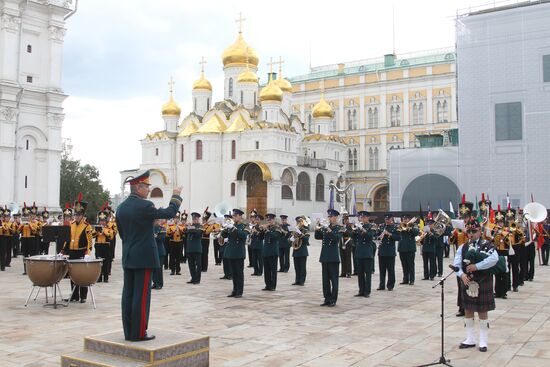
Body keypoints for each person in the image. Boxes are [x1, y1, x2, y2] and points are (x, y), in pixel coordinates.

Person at [116, 170, 182, 341]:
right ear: (138, 187)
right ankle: (138, 333)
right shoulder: (145, 206)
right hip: (144, 257)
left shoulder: (121, 208)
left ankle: (129, 331)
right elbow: (168, 213)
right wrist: (176, 196)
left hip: (129, 256)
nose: (148, 190)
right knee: (142, 296)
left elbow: (122, 234)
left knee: (128, 294)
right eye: (146, 187)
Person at [453, 219, 498, 352]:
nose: (471, 234)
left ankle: (483, 341)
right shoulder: (463, 247)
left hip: (483, 281)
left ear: (480, 232)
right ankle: (470, 339)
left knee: (482, 311)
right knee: (468, 310)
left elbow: (494, 259)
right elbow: (456, 264)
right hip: (468, 282)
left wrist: (476, 267)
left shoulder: (487, 245)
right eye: (469, 232)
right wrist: (461, 275)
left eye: (474, 231)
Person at [61, 193, 93, 303]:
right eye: (76, 214)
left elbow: (89, 241)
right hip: (72, 252)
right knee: (72, 275)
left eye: (79, 215)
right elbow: (67, 239)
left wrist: (88, 253)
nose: (77, 216)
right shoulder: (71, 224)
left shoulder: (87, 226)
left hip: (81, 252)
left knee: (82, 275)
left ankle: (83, 296)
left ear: (83, 215)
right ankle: (74, 295)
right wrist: (63, 250)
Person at [315, 209, 342, 307]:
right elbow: (317, 237)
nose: (329, 218)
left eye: (331, 216)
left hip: (333, 257)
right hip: (325, 256)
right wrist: (318, 227)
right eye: (329, 217)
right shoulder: (326, 227)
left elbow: (336, 239)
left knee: (334, 280)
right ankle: (327, 298)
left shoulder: (339, 228)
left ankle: (333, 299)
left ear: (336, 217)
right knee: (325, 280)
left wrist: (328, 229)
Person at [221, 209, 248, 298]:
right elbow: (224, 235)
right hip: (231, 252)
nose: (234, 217)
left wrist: (233, 228)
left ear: (240, 216)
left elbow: (243, 236)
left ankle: (239, 291)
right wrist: (225, 229)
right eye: (233, 216)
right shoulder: (231, 226)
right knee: (233, 273)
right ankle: (234, 290)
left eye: (235, 216)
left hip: (239, 253)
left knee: (239, 273)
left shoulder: (244, 226)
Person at [353, 211, 376, 297]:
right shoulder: (358, 226)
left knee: (368, 273)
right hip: (359, 252)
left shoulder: (372, 226)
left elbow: (370, 236)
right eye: (360, 217)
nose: (361, 219)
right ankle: (361, 290)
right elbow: (354, 237)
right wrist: (355, 230)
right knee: (360, 273)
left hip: (367, 252)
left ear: (367, 218)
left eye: (363, 217)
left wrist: (363, 229)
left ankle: (367, 291)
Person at [377, 214, 400, 291]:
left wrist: (389, 234)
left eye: (388, 219)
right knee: (382, 269)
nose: (386, 221)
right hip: (382, 250)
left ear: (392, 219)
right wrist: (379, 236)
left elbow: (398, 237)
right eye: (386, 219)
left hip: (390, 251)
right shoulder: (382, 226)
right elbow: (376, 236)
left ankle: (390, 285)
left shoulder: (395, 227)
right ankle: (381, 284)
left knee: (390, 269)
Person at [93, 210, 115, 283]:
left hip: (106, 246)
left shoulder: (109, 228)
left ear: (106, 221)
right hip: (98, 245)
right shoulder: (97, 227)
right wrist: (97, 232)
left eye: (103, 221)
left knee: (106, 262)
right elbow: (92, 235)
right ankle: (99, 277)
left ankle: (106, 277)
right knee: (99, 262)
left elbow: (111, 236)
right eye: (100, 221)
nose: (102, 222)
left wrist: (104, 231)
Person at [397, 214, 418, 285]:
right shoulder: (401, 225)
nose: (405, 220)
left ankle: (412, 280)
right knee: (404, 265)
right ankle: (405, 279)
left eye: (406, 219)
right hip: (402, 248)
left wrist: (409, 228)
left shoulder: (413, 225)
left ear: (409, 219)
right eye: (404, 219)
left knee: (410, 264)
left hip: (410, 248)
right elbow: (397, 232)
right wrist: (402, 227)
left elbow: (416, 233)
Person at [262, 213, 280, 291]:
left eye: (270, 220)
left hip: (273, 251)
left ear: (273, 220)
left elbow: (275, 236)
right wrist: (261, 231)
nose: (269, 221)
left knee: (273, 270)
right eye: (268, 220)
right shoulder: (267, 228)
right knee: (266, 270)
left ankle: (273, 286)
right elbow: (260, 237)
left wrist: (267, 230)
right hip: (265, 251)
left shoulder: (277, 228)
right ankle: (267, 285)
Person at [186, 212, 203, 284]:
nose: (194, 220)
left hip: (197, 248)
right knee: (191, 264)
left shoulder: (200, 226)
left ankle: (197, 279)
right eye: (193, 219)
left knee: (198, 265)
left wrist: (191, 229)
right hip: (190, 248)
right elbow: (185, 231)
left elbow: (198, 234)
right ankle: (193, 278)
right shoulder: (191, 226)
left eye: (195, 219)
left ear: (198, 219)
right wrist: (191, 229)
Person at [292, 216, 309, 286]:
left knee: (302, 267)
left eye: (300, 222)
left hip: (302, 251)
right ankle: (297, 280)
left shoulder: (305, 230)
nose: (298, 223)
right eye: (297, 222)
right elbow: (290, 240)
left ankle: (302, 280)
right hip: (295, 251)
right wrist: (291, 239)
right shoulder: (295, 231)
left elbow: (306, 240)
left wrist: (300, 234)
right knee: (296, 267)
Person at [152, 219, 166, 290]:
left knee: (159, 269)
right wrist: (155, 236)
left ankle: (159, 283)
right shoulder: (150, 229)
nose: (156, 222)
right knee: (153, 269)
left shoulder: (162, 228)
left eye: (157, 220)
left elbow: (162, 239)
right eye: (155, 220)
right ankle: (155, 282)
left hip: (160, 251)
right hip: (152, 252)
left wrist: (154, 236)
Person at [249, 212, 264, 276]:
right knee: (254, 259)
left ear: (260, 220)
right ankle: (255, 271)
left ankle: (260, 271)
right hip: (254, 245)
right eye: (256, 219)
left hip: (259, 245)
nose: (256, 220)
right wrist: (251, 233)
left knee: (260, 260)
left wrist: (257, 232)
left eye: (258, 219)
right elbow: (252, 236)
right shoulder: (253, 227)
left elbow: (262, 236)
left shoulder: (262, 227)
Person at [200, 208, 213, 272]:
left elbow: (207, 232)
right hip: (200, 240)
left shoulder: (209, 226)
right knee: (201, 253)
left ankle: (204, 267)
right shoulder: (201, 225)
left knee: (205, 254)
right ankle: (200, 266)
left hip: (205, 240)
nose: (203, 221)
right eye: (203, 219)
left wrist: (202, 229)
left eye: (204, 220)